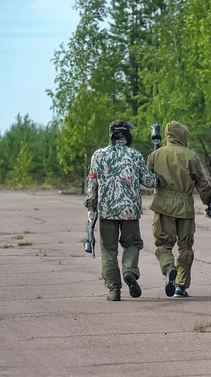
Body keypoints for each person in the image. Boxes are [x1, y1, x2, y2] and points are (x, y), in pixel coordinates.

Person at [84, 120, 157, 301]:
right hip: (130, 210)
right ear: (126, 135)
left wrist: (91, 208)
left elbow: (92, 184)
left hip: (106, 211)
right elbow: (150, 182)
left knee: (109, 249)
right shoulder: (135, 155)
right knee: (132, 244)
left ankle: (114, 289)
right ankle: (129, 271)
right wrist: (156, 170)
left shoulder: (98, 155)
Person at [147, 121, 211, 298]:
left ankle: (169, 267)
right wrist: (210, 202)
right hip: (185, 206)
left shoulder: (156, 154)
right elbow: (201, 182)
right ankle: (181, 285)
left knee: (163, 244)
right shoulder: (191, 156)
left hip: (162, 205)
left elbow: (148, 179)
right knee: (185, 247)